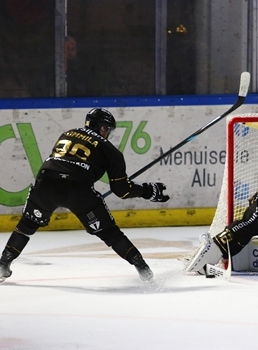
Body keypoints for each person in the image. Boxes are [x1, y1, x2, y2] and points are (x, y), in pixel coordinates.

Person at [0, 108, 169, 283]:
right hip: (78, 190)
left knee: (26, 226)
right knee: (111, 234)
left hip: (46, 183)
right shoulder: (111, 151)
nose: (108, 135)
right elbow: (123, 191)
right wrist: (148, 191)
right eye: (107, 129)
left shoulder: (68, 134)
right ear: (100, 127)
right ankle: (143, 270)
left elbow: (63, 163)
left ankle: (2, 264)